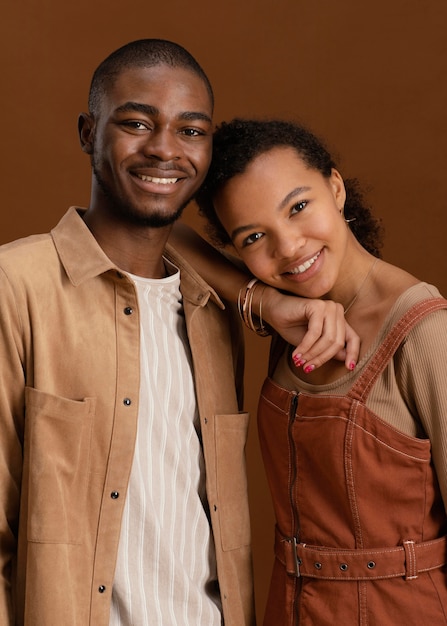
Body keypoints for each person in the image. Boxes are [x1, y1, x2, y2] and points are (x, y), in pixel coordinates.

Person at [0, 40, 361, 626]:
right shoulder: (16, 288)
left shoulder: (218, 311)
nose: (165, 148)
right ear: (88, 132)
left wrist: (266, 301)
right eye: (137, 123)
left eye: (191, 131)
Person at [179, 118, 447, 624]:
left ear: (337, 188)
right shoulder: (293, 316)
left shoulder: (425, 333)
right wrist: (266, 303)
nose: (289, 247)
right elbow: (153, 229)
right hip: (291, 609)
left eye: (299, 207)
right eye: (255, 236)